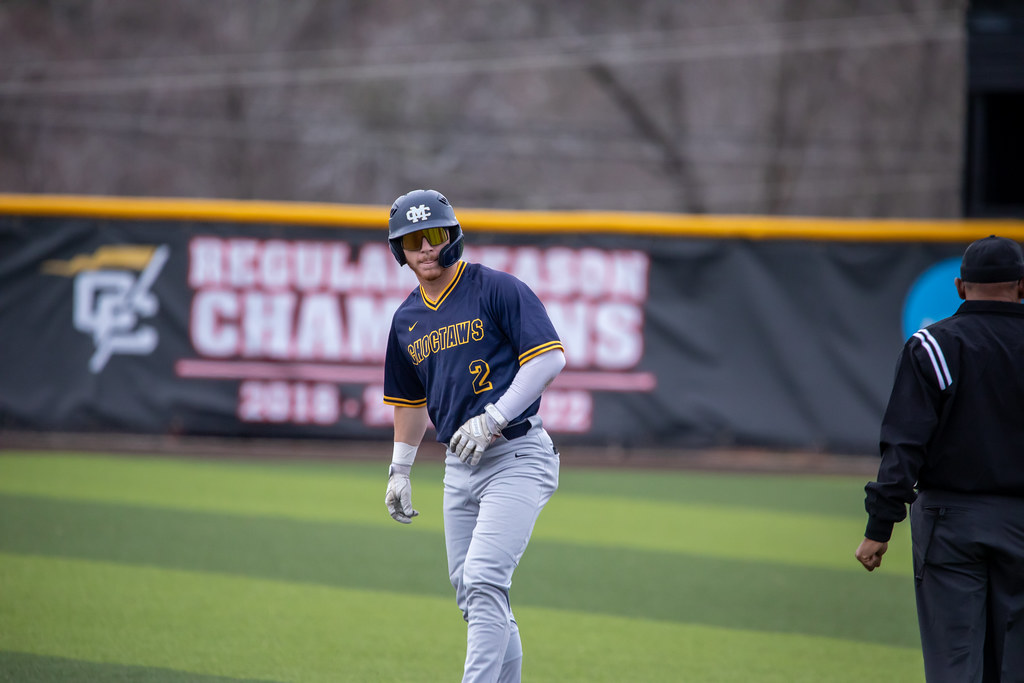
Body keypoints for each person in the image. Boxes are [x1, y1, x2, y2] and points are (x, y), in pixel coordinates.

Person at [381, 189, 565, 683]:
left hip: (518, 453)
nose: (424, 248)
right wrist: (400, 469)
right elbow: (410, 403)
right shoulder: (406, 320)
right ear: (399, 250)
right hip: (459, 466)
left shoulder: (496, 288)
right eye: (412, 239)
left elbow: (549, 358)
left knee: (484, 580)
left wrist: (494, 417)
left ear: (453, 237)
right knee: (475, 597)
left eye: (434, 235)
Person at [855, 234, 1024, 682]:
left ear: (959, 287)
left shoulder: (933, 345)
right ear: (1022, 286)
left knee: (955, 663)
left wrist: (879, 525)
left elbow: (904, 443)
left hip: (951, 521)